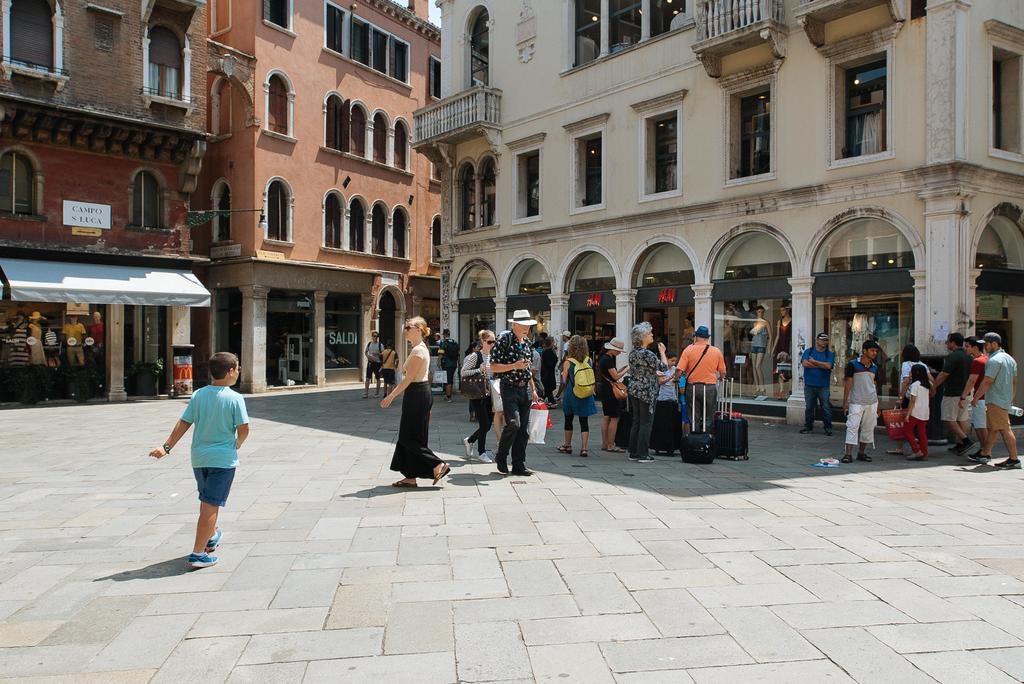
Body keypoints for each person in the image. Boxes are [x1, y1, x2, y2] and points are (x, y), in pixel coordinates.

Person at [149, 352, 249, 569]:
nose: (239, 371)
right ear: (231, 372)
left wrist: (166, 447)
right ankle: (198, 554)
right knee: (210, 506)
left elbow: (184, 422)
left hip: (199, 459)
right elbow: (244, 428)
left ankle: (211, 535)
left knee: (207, 500)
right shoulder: (234, 398)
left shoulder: (198, 395)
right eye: (238, 368)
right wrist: (238, 443)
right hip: (223, 461)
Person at [381, 317, 450, 487]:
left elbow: (407, 380)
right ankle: (410, 477)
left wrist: (390, 396)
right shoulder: (418, 349)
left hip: (417, 394)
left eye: (408, 327)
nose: (405, 330)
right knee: (414, 436)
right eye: (405, 327)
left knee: (408, 437)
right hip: (419, 394)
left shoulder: (419, 351)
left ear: (419, 330)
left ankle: (437, 464)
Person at [490, 310, 542, 476]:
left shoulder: (527, 342)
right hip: (509, 387)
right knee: (514, 424)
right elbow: (494, 367)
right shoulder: (504, 340)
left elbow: (526, 369)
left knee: (523, 430)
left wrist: (533, 389)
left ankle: (519, 464)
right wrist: (514, 366)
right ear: (514, 325)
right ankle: (501, 456)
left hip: (525, 388)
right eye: (523, 325)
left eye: (528, 325)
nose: (527, 328)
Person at [970, 332, 1019, 468]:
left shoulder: (994, 360)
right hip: (1003, 399)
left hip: (995, 400)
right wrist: (1011, 398)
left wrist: (975, 398)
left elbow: (987, 382)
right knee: (993, 428)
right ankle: (984, 453)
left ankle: (1014, 459)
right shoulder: (1010, 359)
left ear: (994, 344)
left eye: (986, 344)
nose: (985, 347)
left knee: (1004, 429)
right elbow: (1014, 382)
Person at [627, 322, 668, 463]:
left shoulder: (633, 353)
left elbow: (642, 369)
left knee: (637, 421)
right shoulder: (647, 353)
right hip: (646, 390)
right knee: (646, 422)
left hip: (634, 389)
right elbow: (663, 367)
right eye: (649, 333)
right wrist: (663, 352)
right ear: (643, 336)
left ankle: (633, 452)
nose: (652, 335)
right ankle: (643, 454)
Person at [932, 332, 977, 456]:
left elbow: (944, 374)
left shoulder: (953, 357)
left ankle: (966, 441)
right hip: (965, 393)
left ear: (952, 342)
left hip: (953, 393)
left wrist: (934, 386)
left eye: (948, 342)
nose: (947, 344)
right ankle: (960, 444)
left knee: (948, 418)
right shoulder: (969, 356)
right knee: (961, 418)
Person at [676, 326, 726, 434]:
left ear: (695, 337)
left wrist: (675, 380)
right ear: (707, 338)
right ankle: (706, 439)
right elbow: (723, 372)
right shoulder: (716, 351)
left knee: (693, 416)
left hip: (692, 387)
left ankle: (695, 440)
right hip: (709, 388)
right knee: (709, 416)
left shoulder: (688, 350)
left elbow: (679, 370)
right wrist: (720, 378)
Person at [886, 344, 932, 456]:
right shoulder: (923, 365)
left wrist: (900, 397)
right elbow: (932, 380)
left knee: (904, 424)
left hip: (911, 399)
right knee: (921, 430)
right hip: (924, 406)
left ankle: (906, 448)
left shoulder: (906, 365)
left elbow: (906, 381)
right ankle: (923, 451)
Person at [557, 335, 597, 457]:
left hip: (572, 392)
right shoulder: (589, 360)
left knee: (568, 419)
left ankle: (567, 445)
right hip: (586, 391)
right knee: (584, 420)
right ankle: (584, 448)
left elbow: (564, 381)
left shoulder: (568, 362)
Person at [842, 340, 880, 464]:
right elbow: (848, 384)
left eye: (876, 351)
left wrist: (878, 403)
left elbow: (874, 385)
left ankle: (861, 452)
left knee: (868, 428)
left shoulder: (875, 367)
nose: (874, 353)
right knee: (852, 426)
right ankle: (848, 454)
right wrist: (845, 402)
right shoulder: (852, 365)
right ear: (864, 351)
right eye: (872, 350)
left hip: (872, 402)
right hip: (856, 401)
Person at [462, 330, 496, 463]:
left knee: (487, 425)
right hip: (477, 393)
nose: (492, 344)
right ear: (482, 342)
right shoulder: (475, 356)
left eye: (494, 341)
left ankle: (470, 440)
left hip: (490, 393)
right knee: (484, 424)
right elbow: (463, 372)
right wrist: (478, 370)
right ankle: (481, 452)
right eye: (489, 342)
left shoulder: (493, 356)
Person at [799, 332, 835, 435]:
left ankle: (828, 427)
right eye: (822, 339)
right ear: (817, 340)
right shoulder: (809, 351)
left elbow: (828, 366)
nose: (824, 342)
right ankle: (808, 426)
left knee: (826, 407)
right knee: (809, 407)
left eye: (826, 340)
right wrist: (821, 365)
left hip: (823, 386)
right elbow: (805, 363)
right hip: (809, 385)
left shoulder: (830, 354)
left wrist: (814, 361)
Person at [598, 338, 628, 452]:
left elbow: (611, 374)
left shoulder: (604, 358)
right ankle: (610, 444)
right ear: (612, 349)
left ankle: (605, 443)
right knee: (614, 417)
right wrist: (627, 369)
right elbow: (615, 377)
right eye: (618, 350)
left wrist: (621, 369)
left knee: (606, 416)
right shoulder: (608, 360)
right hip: (610, 391)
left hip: (605, 389)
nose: (619, 352)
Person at [650, 353, 682, 455]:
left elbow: (676, 381)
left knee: (672, 423)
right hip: (662, 398)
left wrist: (677, 378)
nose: (673, 363)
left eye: (675, 361)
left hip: (672, 398)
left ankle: (671, 446)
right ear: (666, 359)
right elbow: (660, 382)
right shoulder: (661, 368)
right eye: (672, 360)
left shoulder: (674, 369)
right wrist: (670, 378)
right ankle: (659, 445)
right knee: (662, 423)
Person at [962, 336, 989, 460]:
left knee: (980, 426)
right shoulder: (987, 359)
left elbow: (972, 380)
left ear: (975, 347)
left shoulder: (978, 361)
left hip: (980, 398)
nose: (965, 349)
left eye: (967, 346)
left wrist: (963, 397)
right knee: (981, 426)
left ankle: (985, 452)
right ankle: (985, 451)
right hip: (986, 397)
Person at [902, 363, 932, 461]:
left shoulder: (915, 385)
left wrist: (908, 414)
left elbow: (913, 400)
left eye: (911, 371)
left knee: (907, 430)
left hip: (915, 412)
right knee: (922, 433)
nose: (910, 373)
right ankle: (924, 452)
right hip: (925, 412)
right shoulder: (927, 384)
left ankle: (916, 450)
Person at [438, 329, 461, 402]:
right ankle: (447, 395)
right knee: (450, 379)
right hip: (454, 364)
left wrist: (438, 361)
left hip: (446, 363)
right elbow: (458, 354)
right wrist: (458, 363)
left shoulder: (443, 342)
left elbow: (441, 352)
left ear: (444, 335)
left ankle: (449, 397)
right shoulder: (455, 342)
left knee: (448, 380)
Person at [363, 331, 384, 398]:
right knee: (367, 378)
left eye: (376, 336)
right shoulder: (369, 344)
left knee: (378, 378)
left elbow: (383, 354)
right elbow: (366, 352)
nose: (375, 337)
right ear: (372, 336)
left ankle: (377, 393)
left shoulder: (380, 345)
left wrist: (377, 354)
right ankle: (366, 393)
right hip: (370, 362)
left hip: (377, 363)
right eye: (374, 336)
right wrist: (368, 356)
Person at [540, 337, 558, 405]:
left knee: (547, 389)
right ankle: (551, 401)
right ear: (551, 343)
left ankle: (542, 400)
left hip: (548, 372)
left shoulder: (548, 351)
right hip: (547, 373)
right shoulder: (548, 351)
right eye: (553, 342)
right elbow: (550, 363)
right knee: (548, 388)